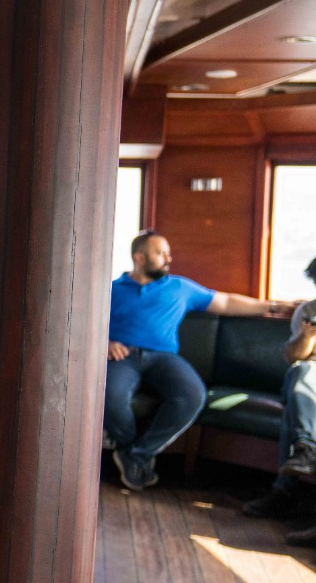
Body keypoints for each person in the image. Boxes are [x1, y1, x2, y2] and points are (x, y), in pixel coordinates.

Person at [104, 231, 296, 491]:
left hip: (163, 358)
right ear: (139, 257)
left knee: (193, 395)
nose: (168, 259)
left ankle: (137, 455)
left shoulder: (180, 287)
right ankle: (129, 451)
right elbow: (85, 321)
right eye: (160, 253)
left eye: (167, 253)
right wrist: (105, 342)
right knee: (110, 398)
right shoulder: (112, 289)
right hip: (122, 356)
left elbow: (226, 302)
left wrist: (274, 306)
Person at [246, 255, 316, 541]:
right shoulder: (307, 311)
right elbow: (294, 357)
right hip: (308, 380)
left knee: (293, 406)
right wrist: (307, 336)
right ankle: (304, 449)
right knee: (301, 374)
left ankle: (284, 491)